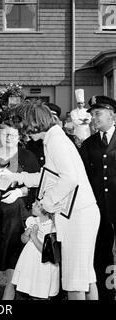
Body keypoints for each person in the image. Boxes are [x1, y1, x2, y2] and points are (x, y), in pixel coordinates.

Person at [1, 101, 100, 300]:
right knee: (86, 278)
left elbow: (69, 178)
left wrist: (46, 204)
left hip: (77, 217)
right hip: (81, 214)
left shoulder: (56, 141)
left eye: (24, 128)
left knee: (74, 282)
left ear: (34, 123)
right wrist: (16, 177)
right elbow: (47, 177)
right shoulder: (53, 139)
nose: (24, 134)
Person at [0, 120, 40, 300]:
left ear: (19, 136)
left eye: (12, 135)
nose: (8, 138)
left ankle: (9, 287)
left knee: (12, 248)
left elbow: (38, 183)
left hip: (15, 210)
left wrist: (20, 191)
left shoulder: (27, 156)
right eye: (4, 134)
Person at [80, 95, 116, 300]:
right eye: (92, 114)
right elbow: (83, 176)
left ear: (112, 114)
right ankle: (106, 293)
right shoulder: (88, 143)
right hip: (98, 209)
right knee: (101, 253)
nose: (94, 118)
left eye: (97, 113)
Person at [11, 201, 60, 299]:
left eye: (37, 205)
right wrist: (26, 234)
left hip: (43, 264)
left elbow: (47, 251)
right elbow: (23, 240)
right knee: (31, 289)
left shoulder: (52, 227)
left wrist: (34, 237)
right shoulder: (32, 220)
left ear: (45, 210)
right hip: (30, 261)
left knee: (41, 291)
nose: (32, 204)